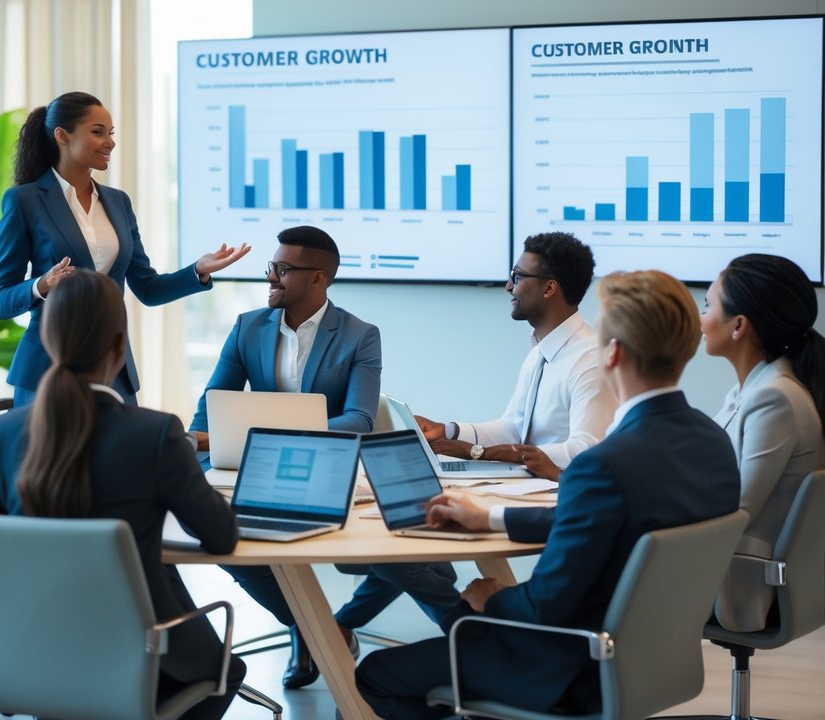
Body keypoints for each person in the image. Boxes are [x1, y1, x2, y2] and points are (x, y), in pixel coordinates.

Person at [356, 269, 741, 719]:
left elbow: (545, 605)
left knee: (377, 674)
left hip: (571, 667)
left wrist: (490, 597)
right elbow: (609, 523)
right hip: (652, 657)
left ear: (612, 354)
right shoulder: (713, 443)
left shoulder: (603, 466)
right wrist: (493, 517)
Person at [189, 225, 458, 690]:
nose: (270, 277)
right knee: (221, 542)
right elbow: (210, 410)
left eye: (282, 270)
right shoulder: (247, 327)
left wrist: (274, 433)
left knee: (403, 553)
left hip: (332, 467)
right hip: (257, 470)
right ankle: (308, 627)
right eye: (271, 267)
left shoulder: (359, 336)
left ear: (319, 278)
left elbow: (359, 420)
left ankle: (333, 627)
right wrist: (194, 451)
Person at [0, 269, 246, 720]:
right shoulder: (155, 433)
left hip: (33, 649)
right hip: (139, 653)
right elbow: (222, 537)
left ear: (46, 342)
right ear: (120, 347)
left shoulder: (1, 434)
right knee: (228, 669)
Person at [0, 90, 250, 407]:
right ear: (62, 136)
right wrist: (42, 285)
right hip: (48, 368)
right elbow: (0, 300)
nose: (110, 142)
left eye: (110, 133)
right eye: (97, 132)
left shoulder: (117, 202)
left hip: (113, 369)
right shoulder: (24, 201)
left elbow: (149, 288)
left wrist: (197, 271)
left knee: (121, 457)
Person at [414, 231, 617, 479]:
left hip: (560, 497)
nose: (509, 286)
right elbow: (513, 429)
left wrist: (481, 452)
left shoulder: (591, 359)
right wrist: (448, 431)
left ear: (549, 288)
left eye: (517, 277)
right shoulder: (539, 353)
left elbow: (585, 451)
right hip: (531, 490)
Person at [700, 253, 825, 632]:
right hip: (738, 573)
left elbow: (735, 509)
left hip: (745, 587)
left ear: (738, 326)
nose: (700, 318)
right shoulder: (755, 389)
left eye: (707, 305)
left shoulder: (774, 398)